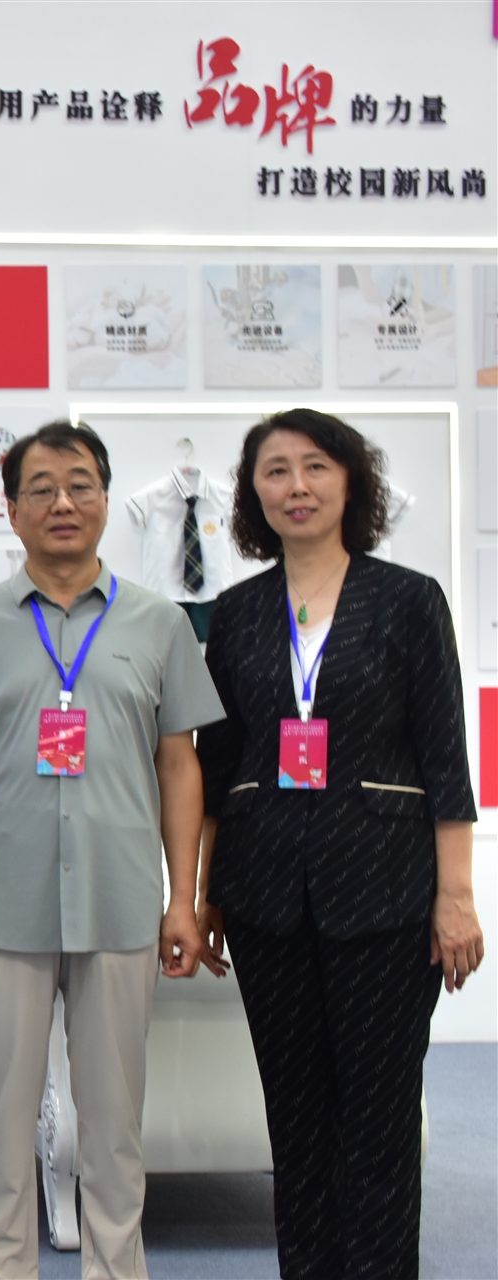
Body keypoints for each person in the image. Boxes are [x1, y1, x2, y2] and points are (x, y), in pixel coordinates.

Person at [0, 420, 224, 1279]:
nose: (63, 503)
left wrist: (181, 898)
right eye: (42, 489)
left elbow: (180, 763)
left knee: (113, 1119)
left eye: (80, 486)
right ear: (11, 508)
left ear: (104, 499)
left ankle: (116, 1268)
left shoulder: (160, 622)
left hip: (119, 898)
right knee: (2, 1118)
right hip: (4, 901)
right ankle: (2, 1268)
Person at [196, 408, 482, 1280]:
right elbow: (219, 765)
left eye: (316, 466)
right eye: (276, 470)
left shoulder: (408, 600)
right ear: (253, 493)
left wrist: (456, 895)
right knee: (295, 1120)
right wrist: (204, 893)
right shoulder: (235, 614)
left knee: (380, 1118)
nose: (298, 487)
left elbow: (444, 756)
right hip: (265, 894)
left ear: (351, 481)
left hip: (387, 893)